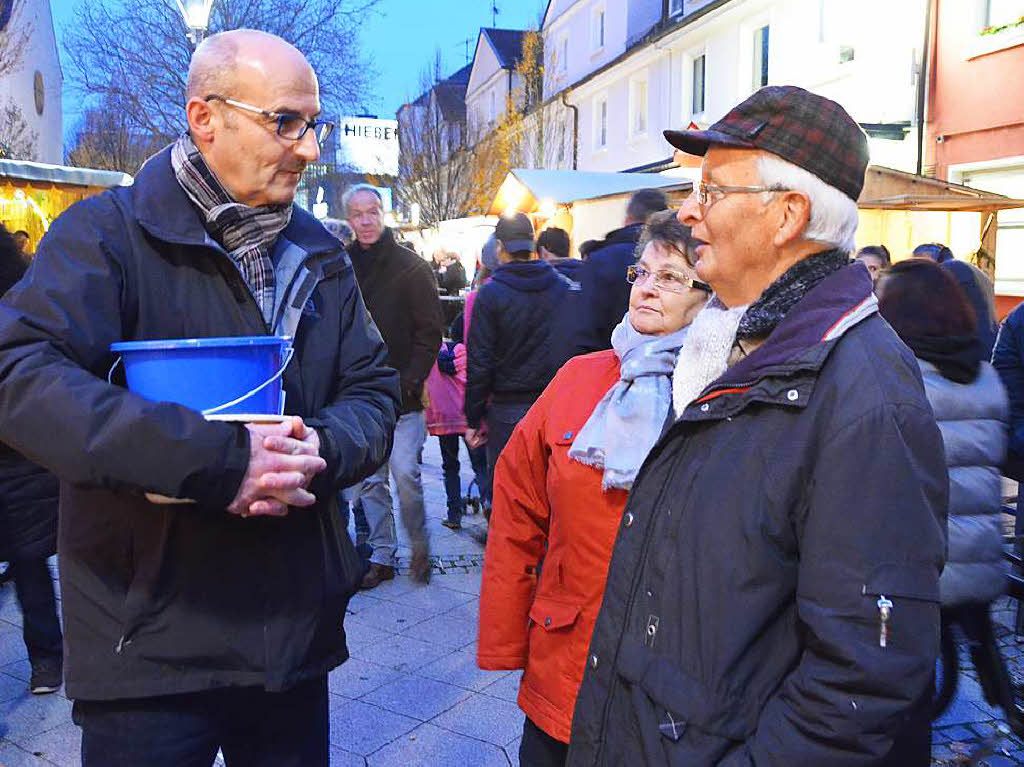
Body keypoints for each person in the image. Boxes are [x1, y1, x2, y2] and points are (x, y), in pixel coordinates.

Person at [0, 31, 400, 767]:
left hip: (289, 638)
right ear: (205, 117)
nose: (309, 147)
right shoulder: (104, 236)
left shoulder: (319, 252)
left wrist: (320, 447)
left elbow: (373, 387)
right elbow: (20, 377)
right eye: (285, 121)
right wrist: (220, 461)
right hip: (148, 644)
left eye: (315, 123)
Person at [568, 86, 947, 766]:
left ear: (786, 214)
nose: (687, 212)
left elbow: (861, 683)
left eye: (712, 191)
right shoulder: (727, 345)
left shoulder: (865, 393)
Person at [478, 211, 710, 767]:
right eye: (643, 272)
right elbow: (517, 504)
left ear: (711, 294)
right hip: (567, 655)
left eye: (672, 277)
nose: (648, 287)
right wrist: (508, 634)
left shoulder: (724, 388)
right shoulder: (581, 377)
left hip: (673, 671)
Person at [878, 258, 1017, 729]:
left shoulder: (898, 378)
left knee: (907, 702)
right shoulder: (984, 377)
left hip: (920, 569)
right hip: (978, 563)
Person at [344, 183, 443, 587]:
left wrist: (412, 378)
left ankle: (419, 545)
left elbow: (430, 331)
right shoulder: (342, 266)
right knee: (369, 481)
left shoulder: (411, 267)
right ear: (349, 219)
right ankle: (383, 555)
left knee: (404, 474)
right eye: (357, 214)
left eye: (372, 212)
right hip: (361, 397)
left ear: (383, 213)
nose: (366, 221)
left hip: (404, 397)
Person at [464, 213, 570, 512]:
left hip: (507, 412)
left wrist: (473, 417)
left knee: (511, 500)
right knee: (549, 498)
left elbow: (480, 361)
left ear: (500, 247)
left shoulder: (491, 294)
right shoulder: (561, 287)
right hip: (553, 408)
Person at [0, 224, 63, 695]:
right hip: (23, 455)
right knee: (28, 563)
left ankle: (47, 656)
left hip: (18, 457)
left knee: (28, 562)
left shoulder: (15, 313)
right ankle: (48, 659)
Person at [573, 189, 668, 353]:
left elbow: (583, 328)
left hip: (607, 363)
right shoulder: (677, 259)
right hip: (664, 360)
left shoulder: (600, 260)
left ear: (628, 219)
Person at [425, 314, 488, 531]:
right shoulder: (468, 354)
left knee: (450, 467)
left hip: (444, 421)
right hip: (468, 418)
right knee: (480, 465)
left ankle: (454, 514)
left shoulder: (432, 356)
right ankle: (489, 504)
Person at [914, 242, 998, 357]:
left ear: (926, 258)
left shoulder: (946, 272)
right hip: (988, 346)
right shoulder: (969, 269)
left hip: (970, 354)